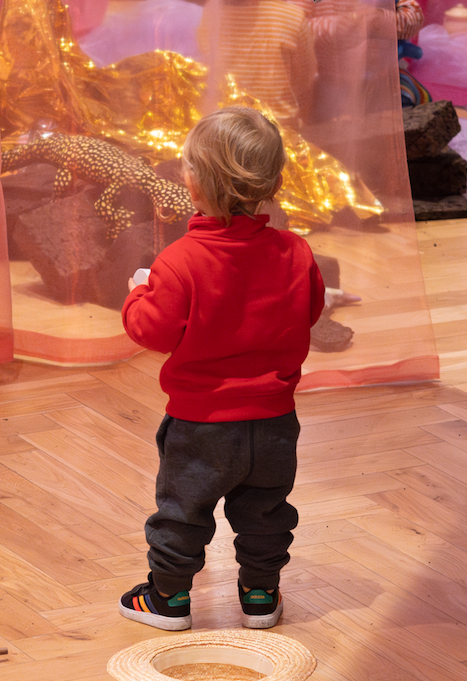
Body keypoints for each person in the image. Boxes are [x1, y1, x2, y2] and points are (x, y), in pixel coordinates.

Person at [120, 107, 325, 631]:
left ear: (191, 182)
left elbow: (153, 332)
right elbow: (310, 310)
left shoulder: (180, 260)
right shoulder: (296, 252)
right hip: (275, 423)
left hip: (201, 424)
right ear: (275, 182)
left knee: (182, 513)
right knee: (265, 514)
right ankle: (260, 594)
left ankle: (168, 599)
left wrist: (138, 294)